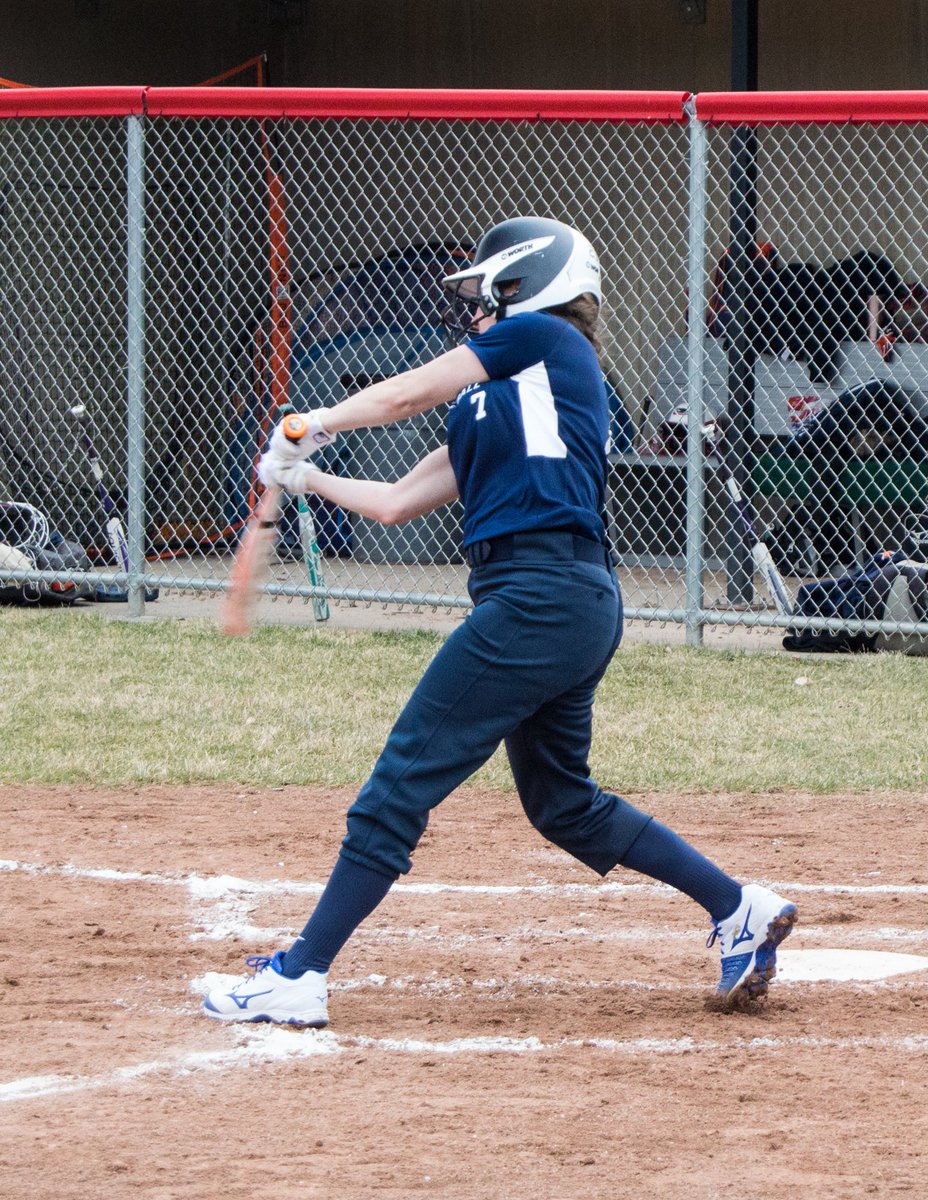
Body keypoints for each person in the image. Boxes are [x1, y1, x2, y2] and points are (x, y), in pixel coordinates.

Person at [203, 216, 797, 1028]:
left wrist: (318, 419)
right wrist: (304, 475)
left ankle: (301, 975)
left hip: (542, 595)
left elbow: (409, 389)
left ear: (532, 286)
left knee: (400, 782)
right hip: (563, 605)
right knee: (563, 805)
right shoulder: (499, 397)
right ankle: (740, 908)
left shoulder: (548, 344)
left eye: (493, 292)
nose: (478, 309)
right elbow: (395, 504)